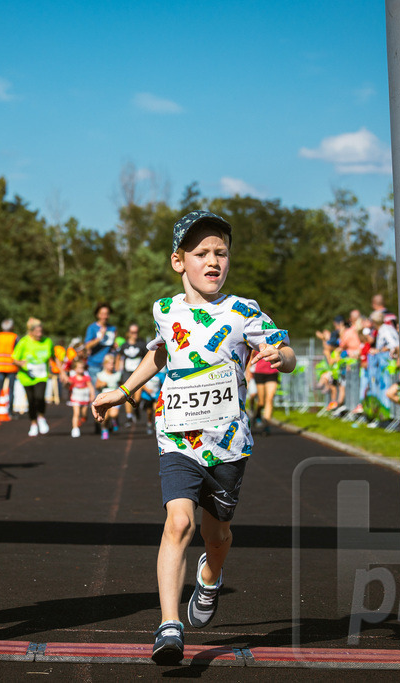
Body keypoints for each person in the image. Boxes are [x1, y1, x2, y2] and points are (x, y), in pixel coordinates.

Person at [92, 210, 295, 665]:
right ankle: (168, 627)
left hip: (228, 444)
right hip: (178, 437)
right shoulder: (165, 311)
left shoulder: (244, 312)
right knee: (178, 522)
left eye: (221, 253)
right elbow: (159, 357)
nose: (212, 261)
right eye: (201, 253)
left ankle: (210, 576)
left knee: (216, 533)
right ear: (178, 261)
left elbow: (288, 352)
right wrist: (122, 391)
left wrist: (278, 356)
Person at [12, 317, 52, 436]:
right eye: (37, 332)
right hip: (27, 377)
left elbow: (53, 357)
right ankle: (33, 423)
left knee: (40, 397)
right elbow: (14, 359)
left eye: (41, 331)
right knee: (31, 400)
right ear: (31, 332)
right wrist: (21, 363)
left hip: (41, 376)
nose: (40, 334)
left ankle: (41, 417)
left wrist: (62, 372)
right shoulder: (23, 342)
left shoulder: (47, 341)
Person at [117, 324, 144, 424]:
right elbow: (119, 357)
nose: (134, 334)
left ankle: (136, 409)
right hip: (127, 373)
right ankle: (129, 416)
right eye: (132, 332)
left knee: (138, 398)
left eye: (136, 332)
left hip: (138, 373)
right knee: (127, 395)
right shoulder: (124, 346)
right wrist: (117, 369)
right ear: (128, 333)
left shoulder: (141, 345)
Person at [84, 302, 116, 377]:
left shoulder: (113, 328)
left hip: (108, 366)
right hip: (95, 366)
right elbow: (87, 346)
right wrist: (99, 338)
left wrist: (114, 346)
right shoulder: (92, 328)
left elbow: (111, 347)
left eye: (107, 314)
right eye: (102, 314)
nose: (105, 316)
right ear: (97, 315)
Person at [94, 354, 122, 439]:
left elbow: (121, 385)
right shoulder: (101, 375)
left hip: (115, 396)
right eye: (109, 363)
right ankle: (104, 429)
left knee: (113, 414)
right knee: (105, 417)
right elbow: (97, 386)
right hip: (105, 397)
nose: (111, 365)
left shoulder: (117, 374)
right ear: (105, 364)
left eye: (113, 363)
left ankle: (114, 420)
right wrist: (102, 384)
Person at [250, 353, 279, 435]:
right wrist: (248, 373)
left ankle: (266, 425)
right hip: (259, 373)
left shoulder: (274, 341)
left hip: (273, 372)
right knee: (261, 402)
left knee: (269, 399)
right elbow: (251, 358)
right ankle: (257, 415)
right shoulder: (257, 341)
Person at [66, 356, 94, 438]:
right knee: (76, 413)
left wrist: (92, 395)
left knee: (84, 414)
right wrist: (66, 382)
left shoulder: (86, 378)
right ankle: (75, 429)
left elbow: (91, 387)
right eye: (78, 368)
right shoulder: (73, 378)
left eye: (82, 368)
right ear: (74, 369)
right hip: (76, 397)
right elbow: (68, 385)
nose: (80, 369)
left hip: (85, 398)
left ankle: (83, 418)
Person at [0, 319, 19, 405]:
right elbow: (18, 351)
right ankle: (9, 411)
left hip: (0, 366)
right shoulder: (14, 337)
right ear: (11, 327)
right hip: (12, 366)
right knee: (11, 389)